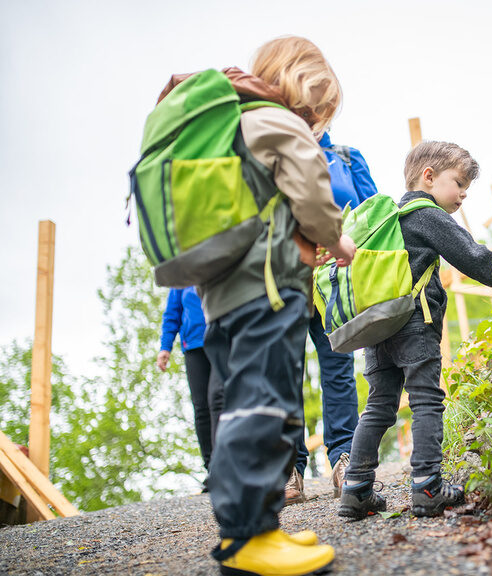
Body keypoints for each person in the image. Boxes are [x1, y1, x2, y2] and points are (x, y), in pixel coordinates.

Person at [174, 37, 356, 575]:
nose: (318, 125)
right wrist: (337, 240)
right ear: (301, 91)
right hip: (268, 292)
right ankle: (250, 541)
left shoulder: (232, 121)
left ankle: (252, 532)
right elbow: (312, 191)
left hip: (224, 296)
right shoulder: (277, 122)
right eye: (317, 112)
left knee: (245, 402)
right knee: (267, 407)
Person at [339, 141, 492, 519]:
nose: (464, 193)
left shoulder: (388, 219)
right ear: (429, 177)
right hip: (413, 327)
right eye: (459, 183)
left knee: (378, 407)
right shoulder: (426, 214)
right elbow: (472, 256)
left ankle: (355, 490)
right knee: (425, 399)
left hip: (378, 327)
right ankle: (427, 486)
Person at [285, 131, 379, 504]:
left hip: (336, 282)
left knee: (338, 370)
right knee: (284, 374)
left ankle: (344, 459)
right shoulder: (279, 149)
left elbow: (373, 215)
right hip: (284, 282)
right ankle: (289, 469)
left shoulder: (347, 156)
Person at [156, 287, 223, 481]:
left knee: (219, 400)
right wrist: (165, 347)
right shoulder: (182, 277)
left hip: (220, 339)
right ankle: (212, 468)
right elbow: (172, 312)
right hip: (193, 346)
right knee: (201, 407)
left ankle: (226, 462)